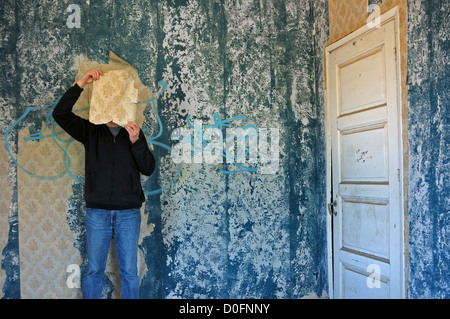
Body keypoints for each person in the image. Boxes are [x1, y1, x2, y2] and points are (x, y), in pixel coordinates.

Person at [53, 70, 156, 299]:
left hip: (128, 213)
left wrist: (135, 142)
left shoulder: (135, 132)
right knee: (93, 271)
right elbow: (60, 113)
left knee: (129, 272)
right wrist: (81, 84)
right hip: (97, 213)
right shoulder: (91, 131)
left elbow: (148, 168)